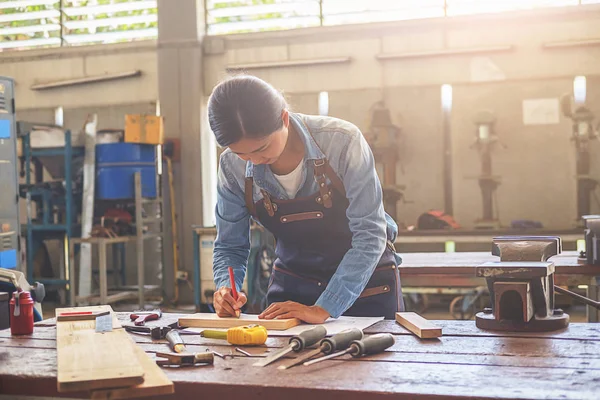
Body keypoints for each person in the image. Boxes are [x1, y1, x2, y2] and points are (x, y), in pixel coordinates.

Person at [208, 74, 404, 324]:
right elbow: (230, 246)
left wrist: (325, 307)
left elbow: (370, 234)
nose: (254, 161)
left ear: (284, 118)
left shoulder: (342, 142)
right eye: (241, 154)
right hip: (293, 291)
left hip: (365, 289)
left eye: (261, 148)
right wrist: (227, 289)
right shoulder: (230, 166)